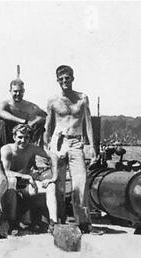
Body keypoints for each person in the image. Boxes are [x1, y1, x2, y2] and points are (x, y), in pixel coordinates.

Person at [44, 65, 101, 234]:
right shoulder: (53, 101)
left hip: (76, 143)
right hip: (58, 142)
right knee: (58, 184)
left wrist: (92, 146)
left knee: (80, 183)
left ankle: (83, 222)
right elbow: (48, 126)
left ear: (72, 78)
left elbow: (88, 124)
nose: (64, 82)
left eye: (67, 78)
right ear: (57, 81)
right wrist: (47, 148)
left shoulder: (82, 98)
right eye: (61, 79)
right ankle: (58, 221)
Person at [1, 123, 58, 234]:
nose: (23, 141)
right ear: (14, 137)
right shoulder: (7, 150)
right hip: (8, 190)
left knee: (51, 186)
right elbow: (5, 172)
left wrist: (53, 177)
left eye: (26, 137)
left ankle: (53, 223)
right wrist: (25, 176)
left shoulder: (31, 149)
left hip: (25, 187)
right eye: (20, 137)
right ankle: (13, 224)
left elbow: (53, 156)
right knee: (12, 180)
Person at [0, 78, 47, 147]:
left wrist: (32, 123)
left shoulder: (31, 106)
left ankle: (34, 149)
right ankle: (4, 150)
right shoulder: (5, 104)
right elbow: (0, 112)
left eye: (20, 91)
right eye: (15, 91)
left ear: (24, 91)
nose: (18, 94)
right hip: (9, 135)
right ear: (10, 91)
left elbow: (44, 116)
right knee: (1, 123)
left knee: (40, 123)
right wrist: (22, 121)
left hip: (25, 134)